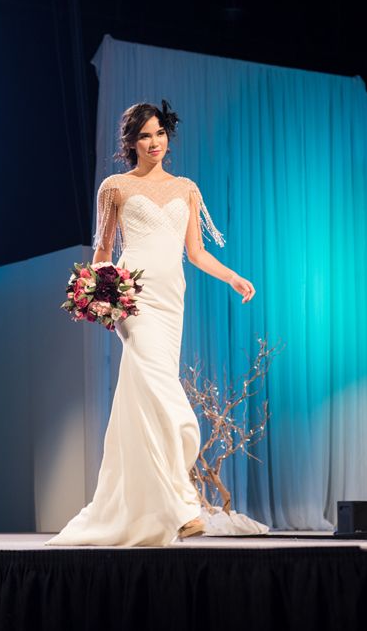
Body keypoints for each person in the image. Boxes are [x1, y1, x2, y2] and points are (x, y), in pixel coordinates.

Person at [46, 100, 256, 547]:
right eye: (145, 135)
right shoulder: (115, 187)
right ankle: (183, 502)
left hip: (172, 300)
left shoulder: (186, 189)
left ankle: (160, 506)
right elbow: (103, 253)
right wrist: (96, 297)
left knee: (144, 401)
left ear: (168, 136)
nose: (154, 142)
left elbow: (195, 253)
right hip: (133, 298)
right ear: (131, 142)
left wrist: (233, 276)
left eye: (159, 133)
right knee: (165, 392)